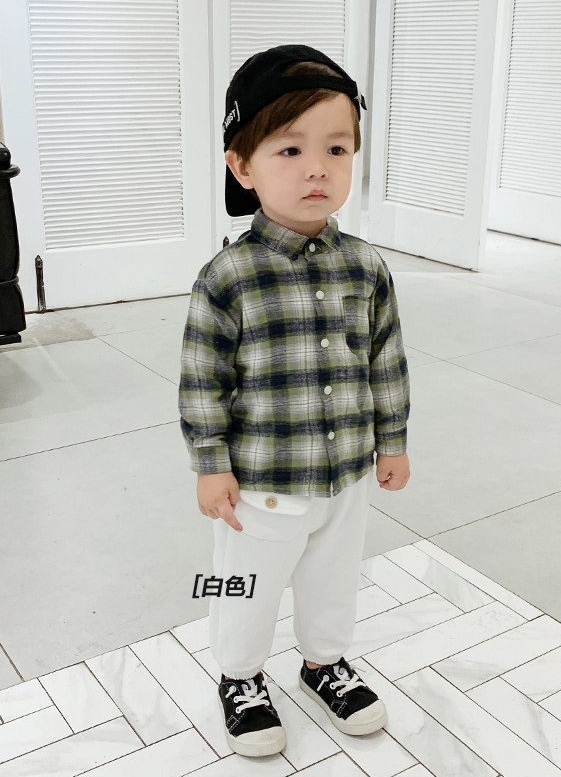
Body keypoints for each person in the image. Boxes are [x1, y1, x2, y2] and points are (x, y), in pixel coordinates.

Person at [179, 44, 410, 758]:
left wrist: (393, 441)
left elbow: (386, 359)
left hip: (345, 472)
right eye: (290, 149)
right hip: (262, 484)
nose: (318, 168)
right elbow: (202, 379)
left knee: (334, 580)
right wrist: (210, 464)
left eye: (336, 149)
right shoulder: (228, 276)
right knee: (244, 582)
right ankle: (239, 675)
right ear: (241, 165)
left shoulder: (366, 266)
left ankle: (323, 663)